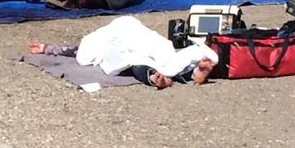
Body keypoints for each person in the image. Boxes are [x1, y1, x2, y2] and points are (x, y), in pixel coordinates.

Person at [28, 15, 217, 89]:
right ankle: (191, 71)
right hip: (141, 37)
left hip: (130, 36)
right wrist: (45, 48)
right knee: (165, 55)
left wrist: (46, 48)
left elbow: (76, 51)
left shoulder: (99, 38)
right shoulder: (103, 35)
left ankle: (156, 78)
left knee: (134, 62)